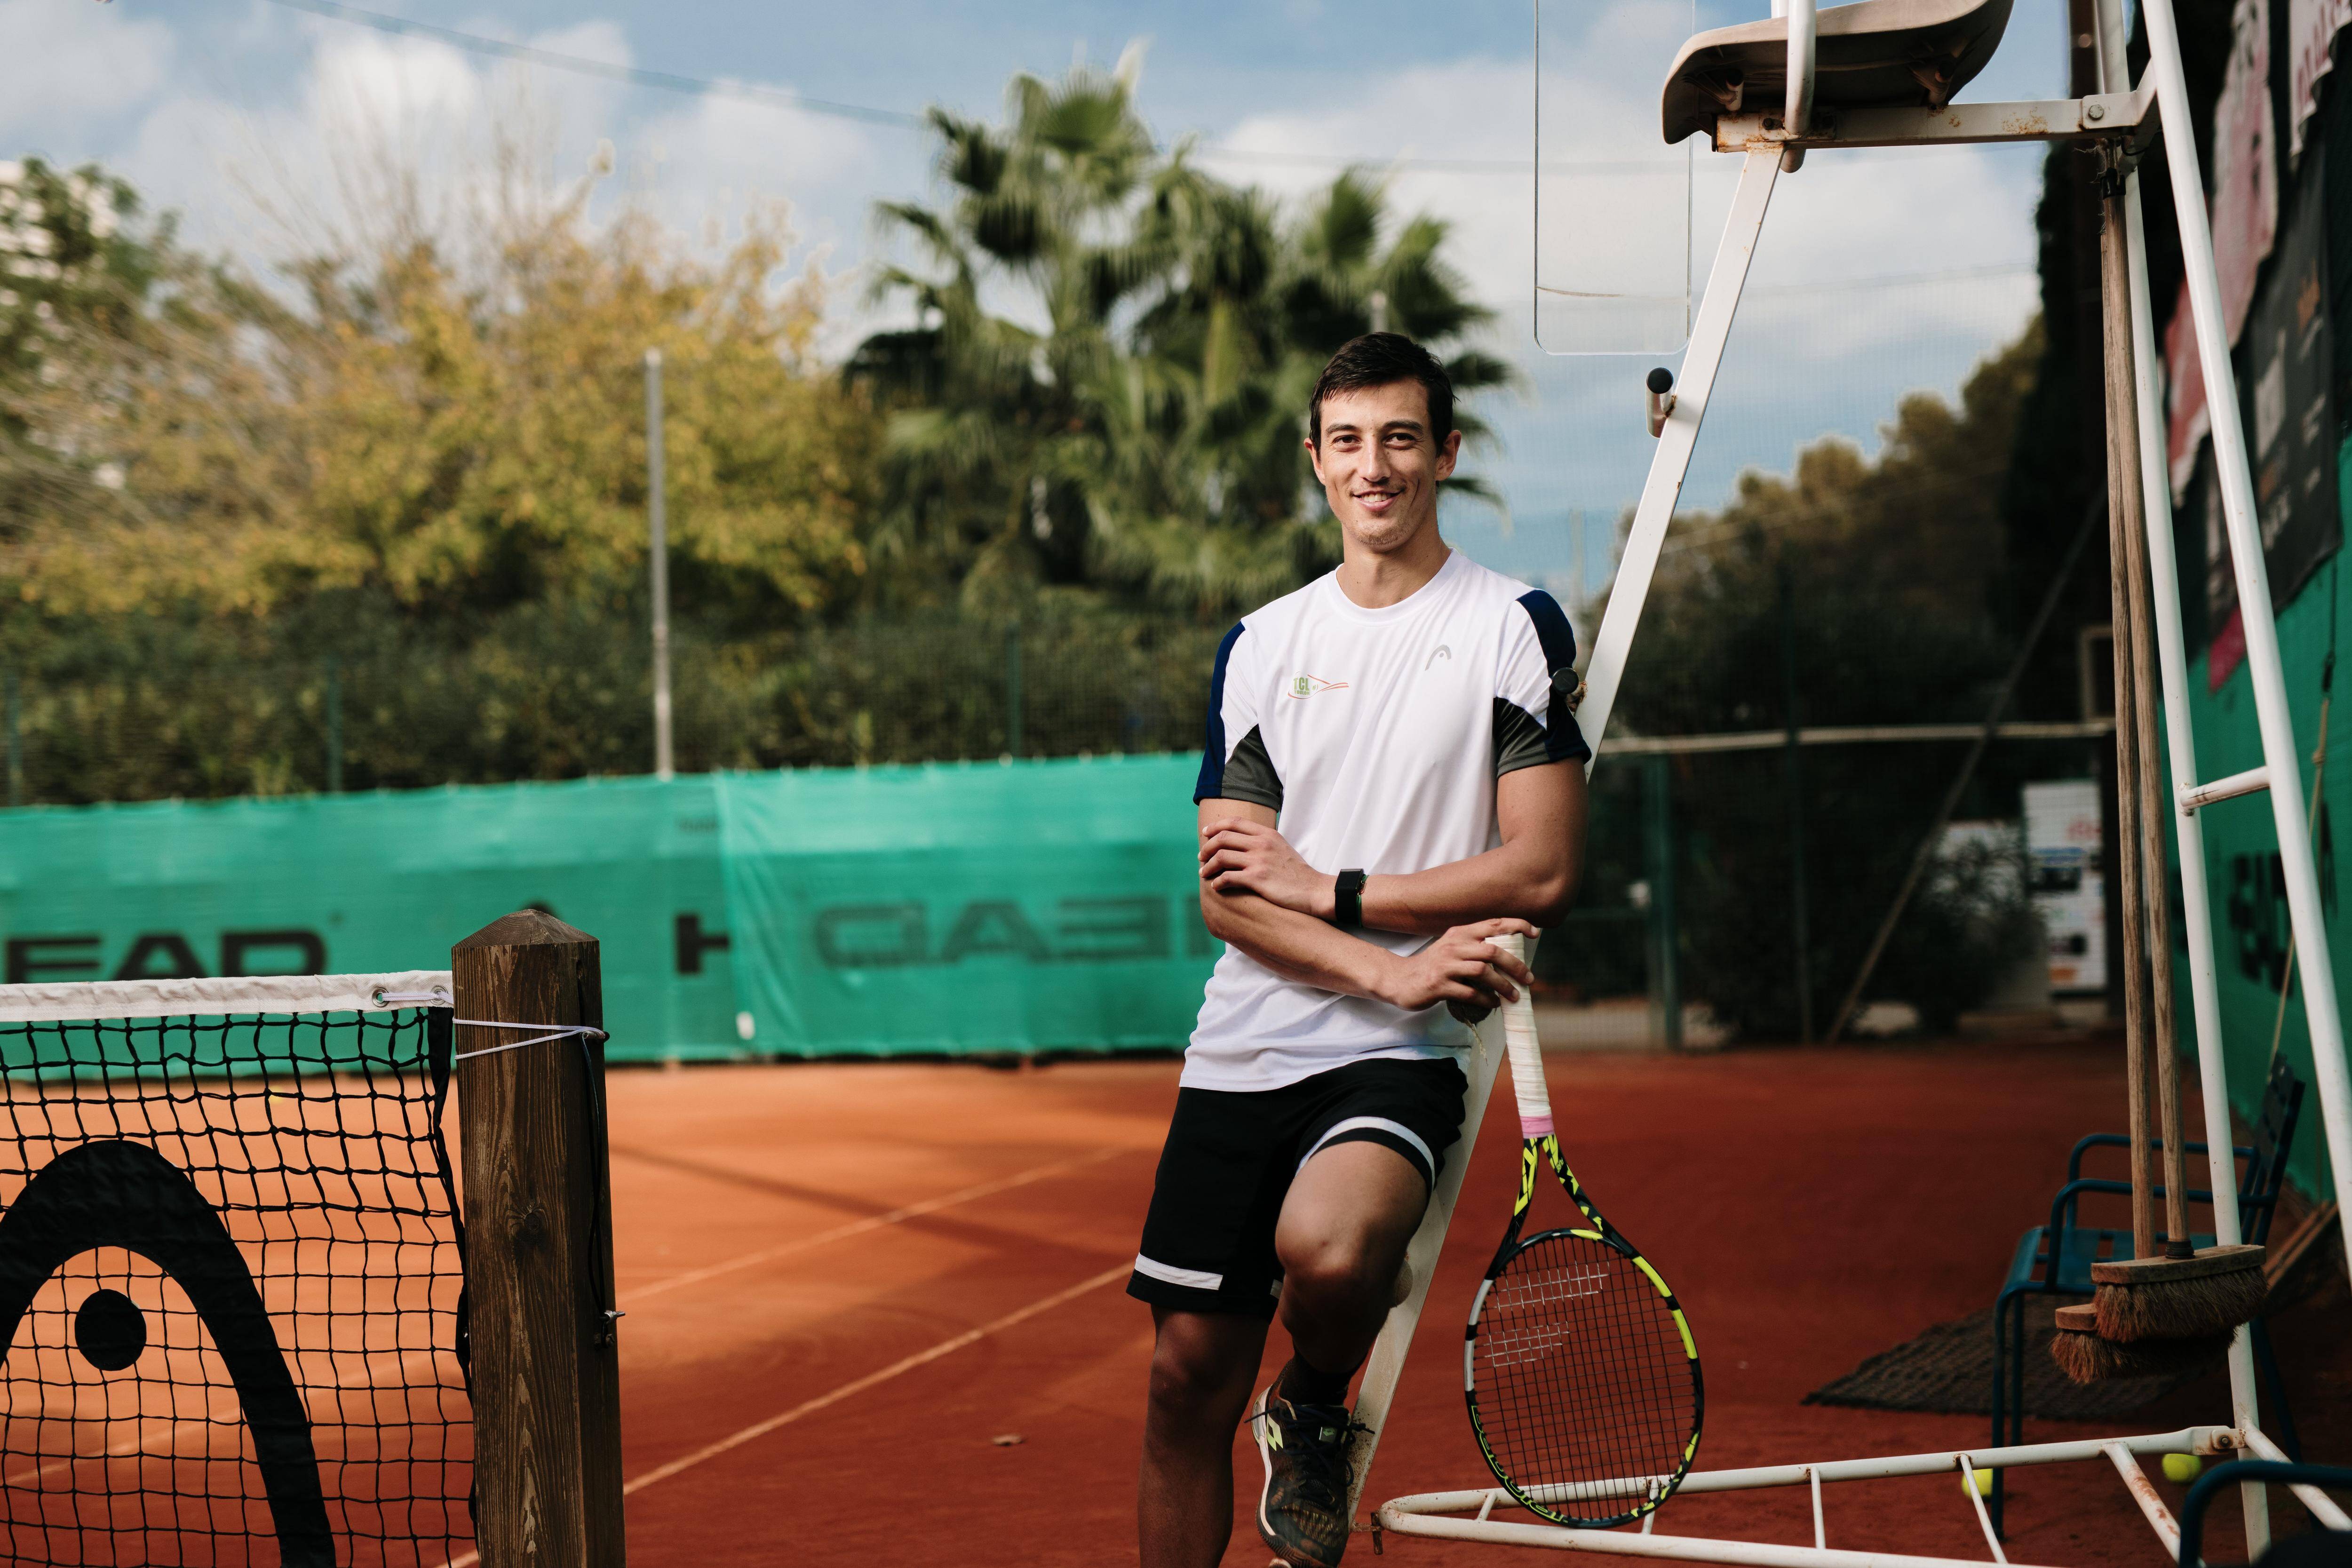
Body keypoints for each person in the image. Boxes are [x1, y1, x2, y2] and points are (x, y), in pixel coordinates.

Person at [1129, 332, 1590, 1568]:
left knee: (1331, 1257)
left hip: (1403, 1049)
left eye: (1399, 438)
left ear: (1446, 453)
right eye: (1347, 441)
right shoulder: (1264, 643)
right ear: (1316, 460)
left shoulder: (1511, 626)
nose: (1373, 465)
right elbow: (1233, 901)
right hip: (1248, 1044)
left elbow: (1542, 867)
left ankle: (1314, 1400)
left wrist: (1328, 888)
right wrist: (1389, 961)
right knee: (1183, 1379)